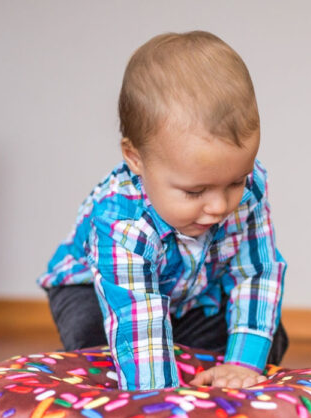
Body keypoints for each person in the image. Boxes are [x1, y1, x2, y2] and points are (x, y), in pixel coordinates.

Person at [38, 31, 288, 391]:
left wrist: (242, 364)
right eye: (195, 191)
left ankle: (192, 356)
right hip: (100, 292)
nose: (219, 206)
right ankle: (151, 364)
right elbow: (135, 314)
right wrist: (159, 397)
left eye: (234, 182)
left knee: (268, 336)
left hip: (189, 296)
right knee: (98, 340)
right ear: (136, 158)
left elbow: (256, 272)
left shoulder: (249, 189)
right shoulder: (121, 220)